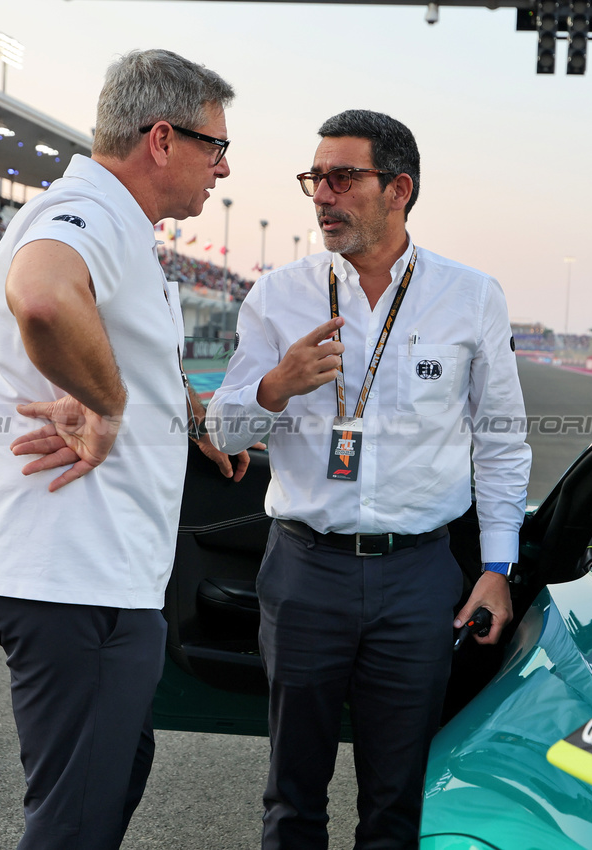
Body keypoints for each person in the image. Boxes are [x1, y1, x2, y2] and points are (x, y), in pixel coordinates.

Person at [206, 109, 532, 849]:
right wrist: (275, 387)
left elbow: (501, 441)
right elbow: (222, 434)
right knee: (292, 797)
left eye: (343, 178)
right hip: (304, 571)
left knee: (396, 800)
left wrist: (496, 568)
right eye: (315, 179)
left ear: (398, 189)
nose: (323, 195)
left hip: (418, 577)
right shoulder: (277, 295)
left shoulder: (470, 296)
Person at [0, 49, 243, 850]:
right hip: (70, 574)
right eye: (216, 146)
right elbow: (44, 297)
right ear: (163, 139)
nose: (223, 168)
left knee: (112, 783)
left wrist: (182, 409)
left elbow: (125, 346)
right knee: (76, 822)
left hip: (96, 574)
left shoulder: (121, 225)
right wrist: (109, 406)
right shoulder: (88, 210)